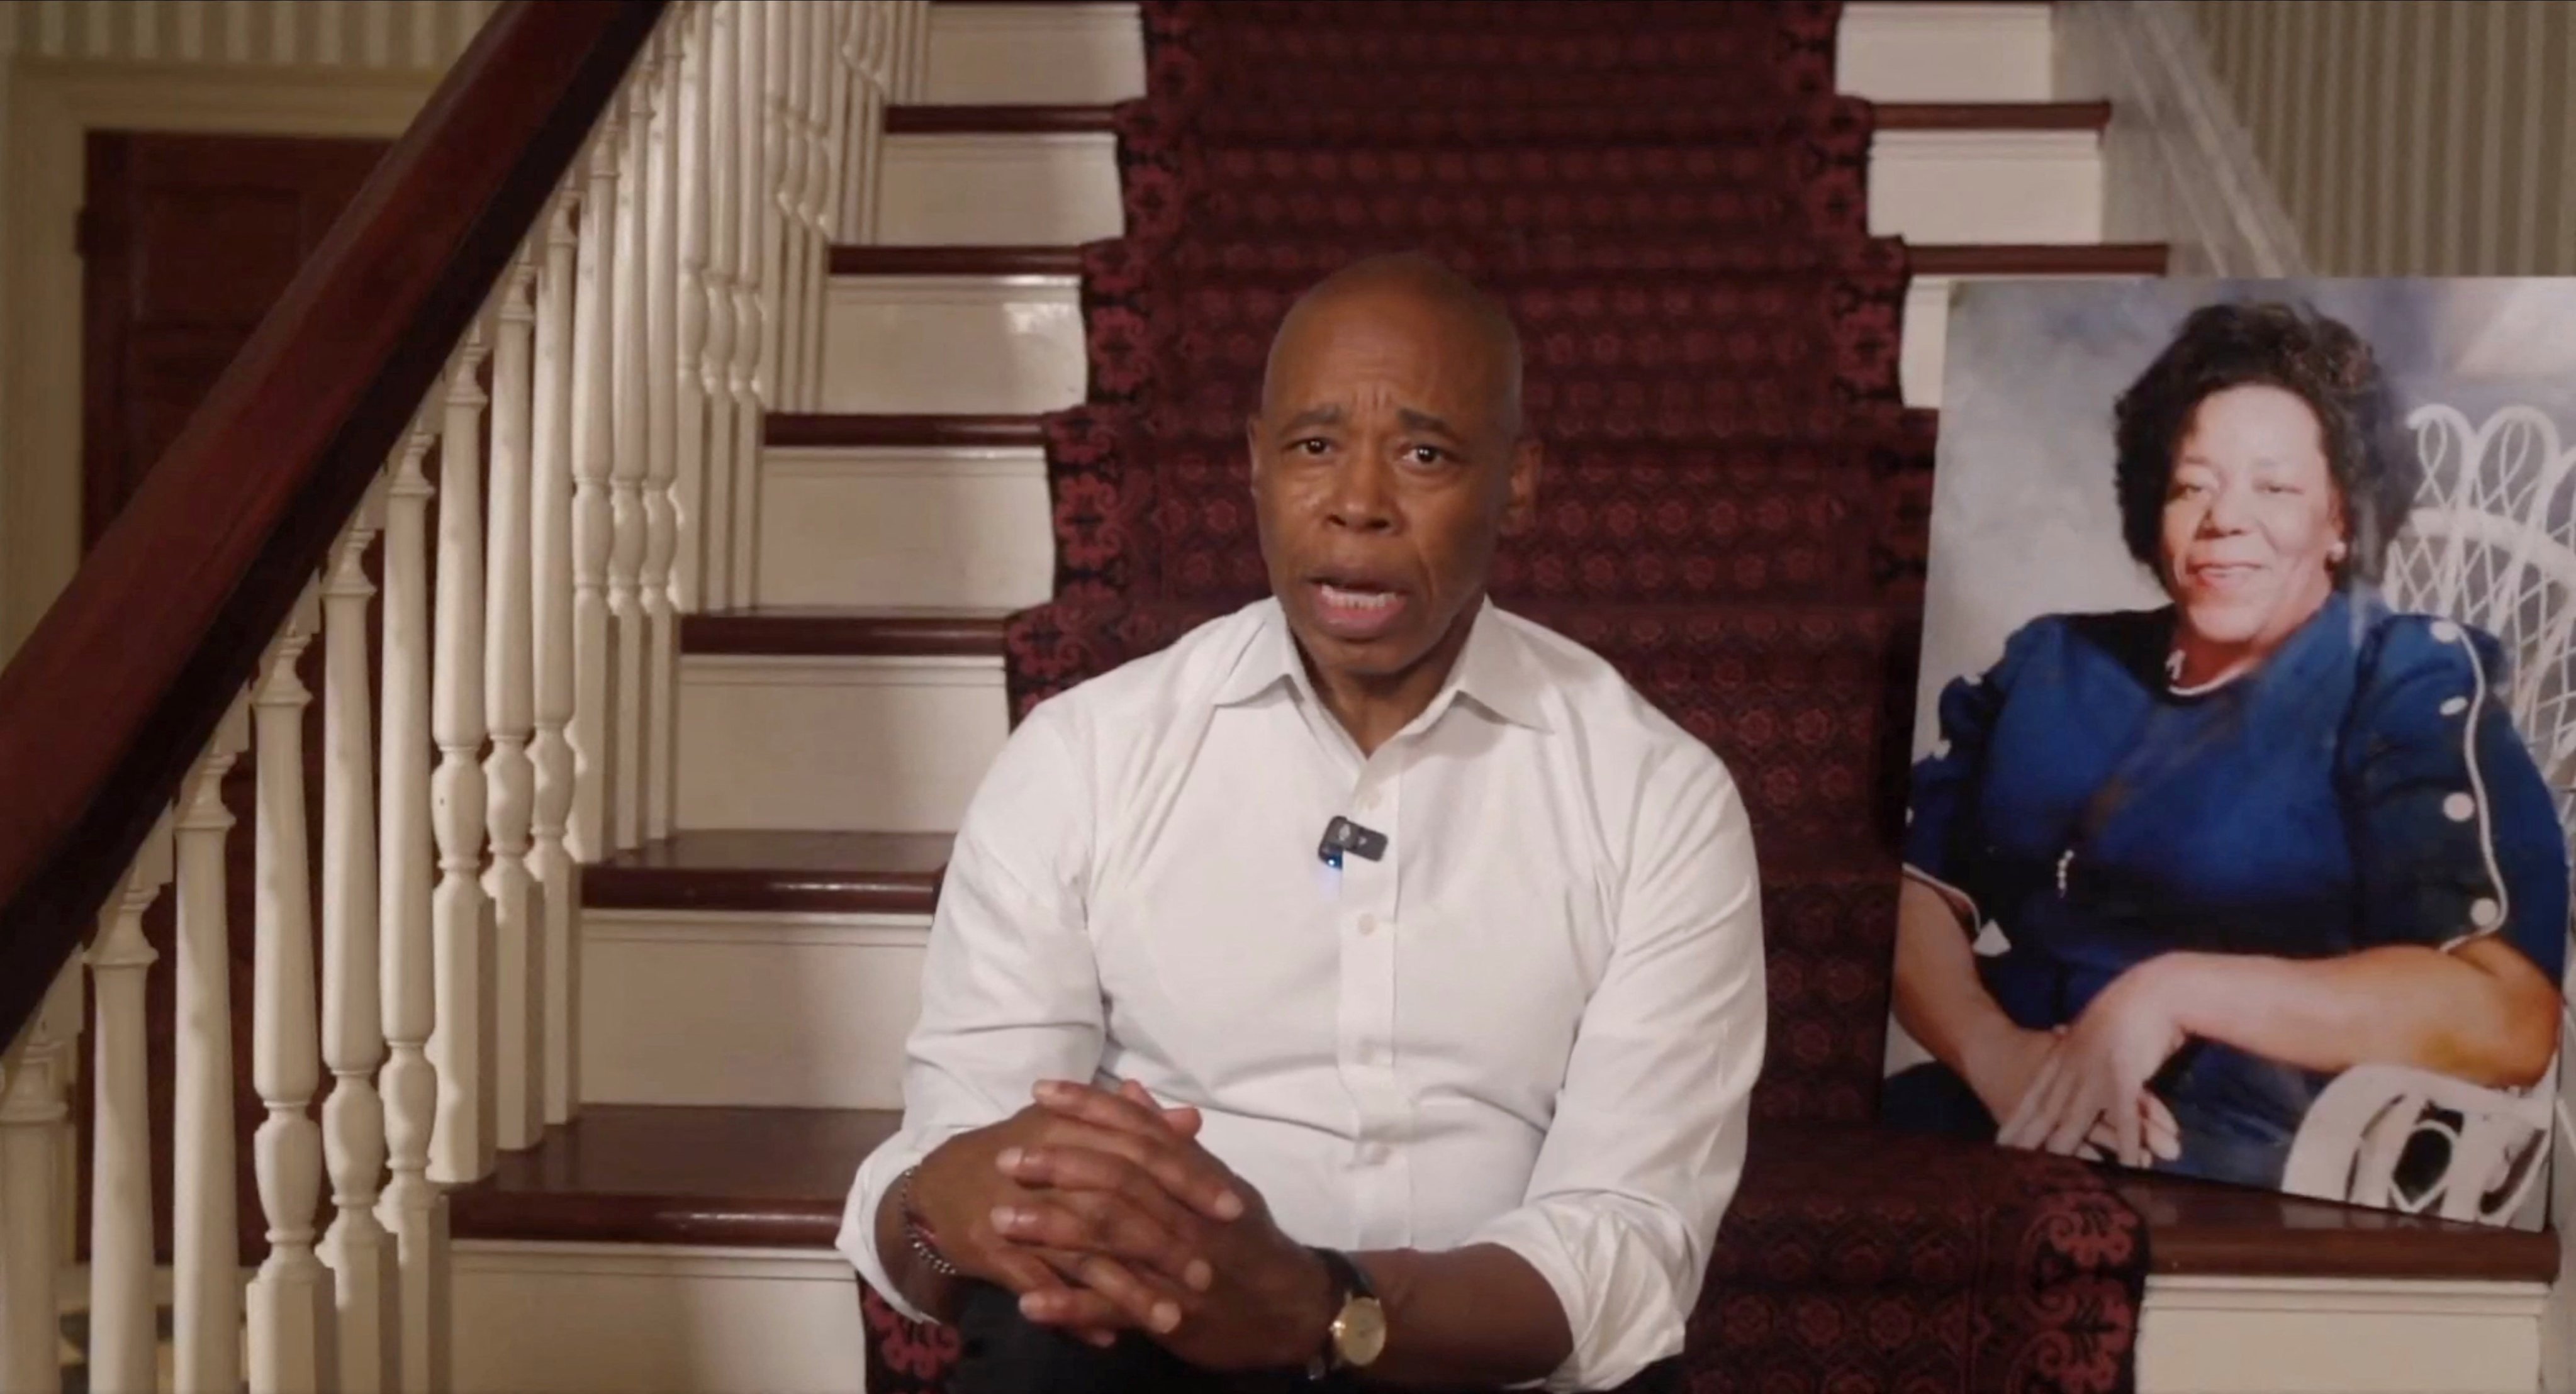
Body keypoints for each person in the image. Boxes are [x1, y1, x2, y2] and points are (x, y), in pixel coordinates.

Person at [836, 253, 1766, 1393]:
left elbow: (1627, 1243)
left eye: (1423, 455)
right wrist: (945, 1213)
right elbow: (957, 1172)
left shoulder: (1655, 795)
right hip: (1150, 1340)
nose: (1357, 502)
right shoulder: (1084, 757)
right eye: (1313, 446)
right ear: (1254, 466)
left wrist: (1322, 1307)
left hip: (1472, 1356)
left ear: (1517, 486)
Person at [1883, 300, 2569, 1190]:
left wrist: (2170, 993)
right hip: (2002, 1106)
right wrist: (1993, 1055)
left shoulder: (2402, 678)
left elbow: (2506, 1017)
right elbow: (1911, 894)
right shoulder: (2053, 661)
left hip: (2259, 1158)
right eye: (2191, 484)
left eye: (2274, 488)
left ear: (2340, 523)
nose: (2223, 520)